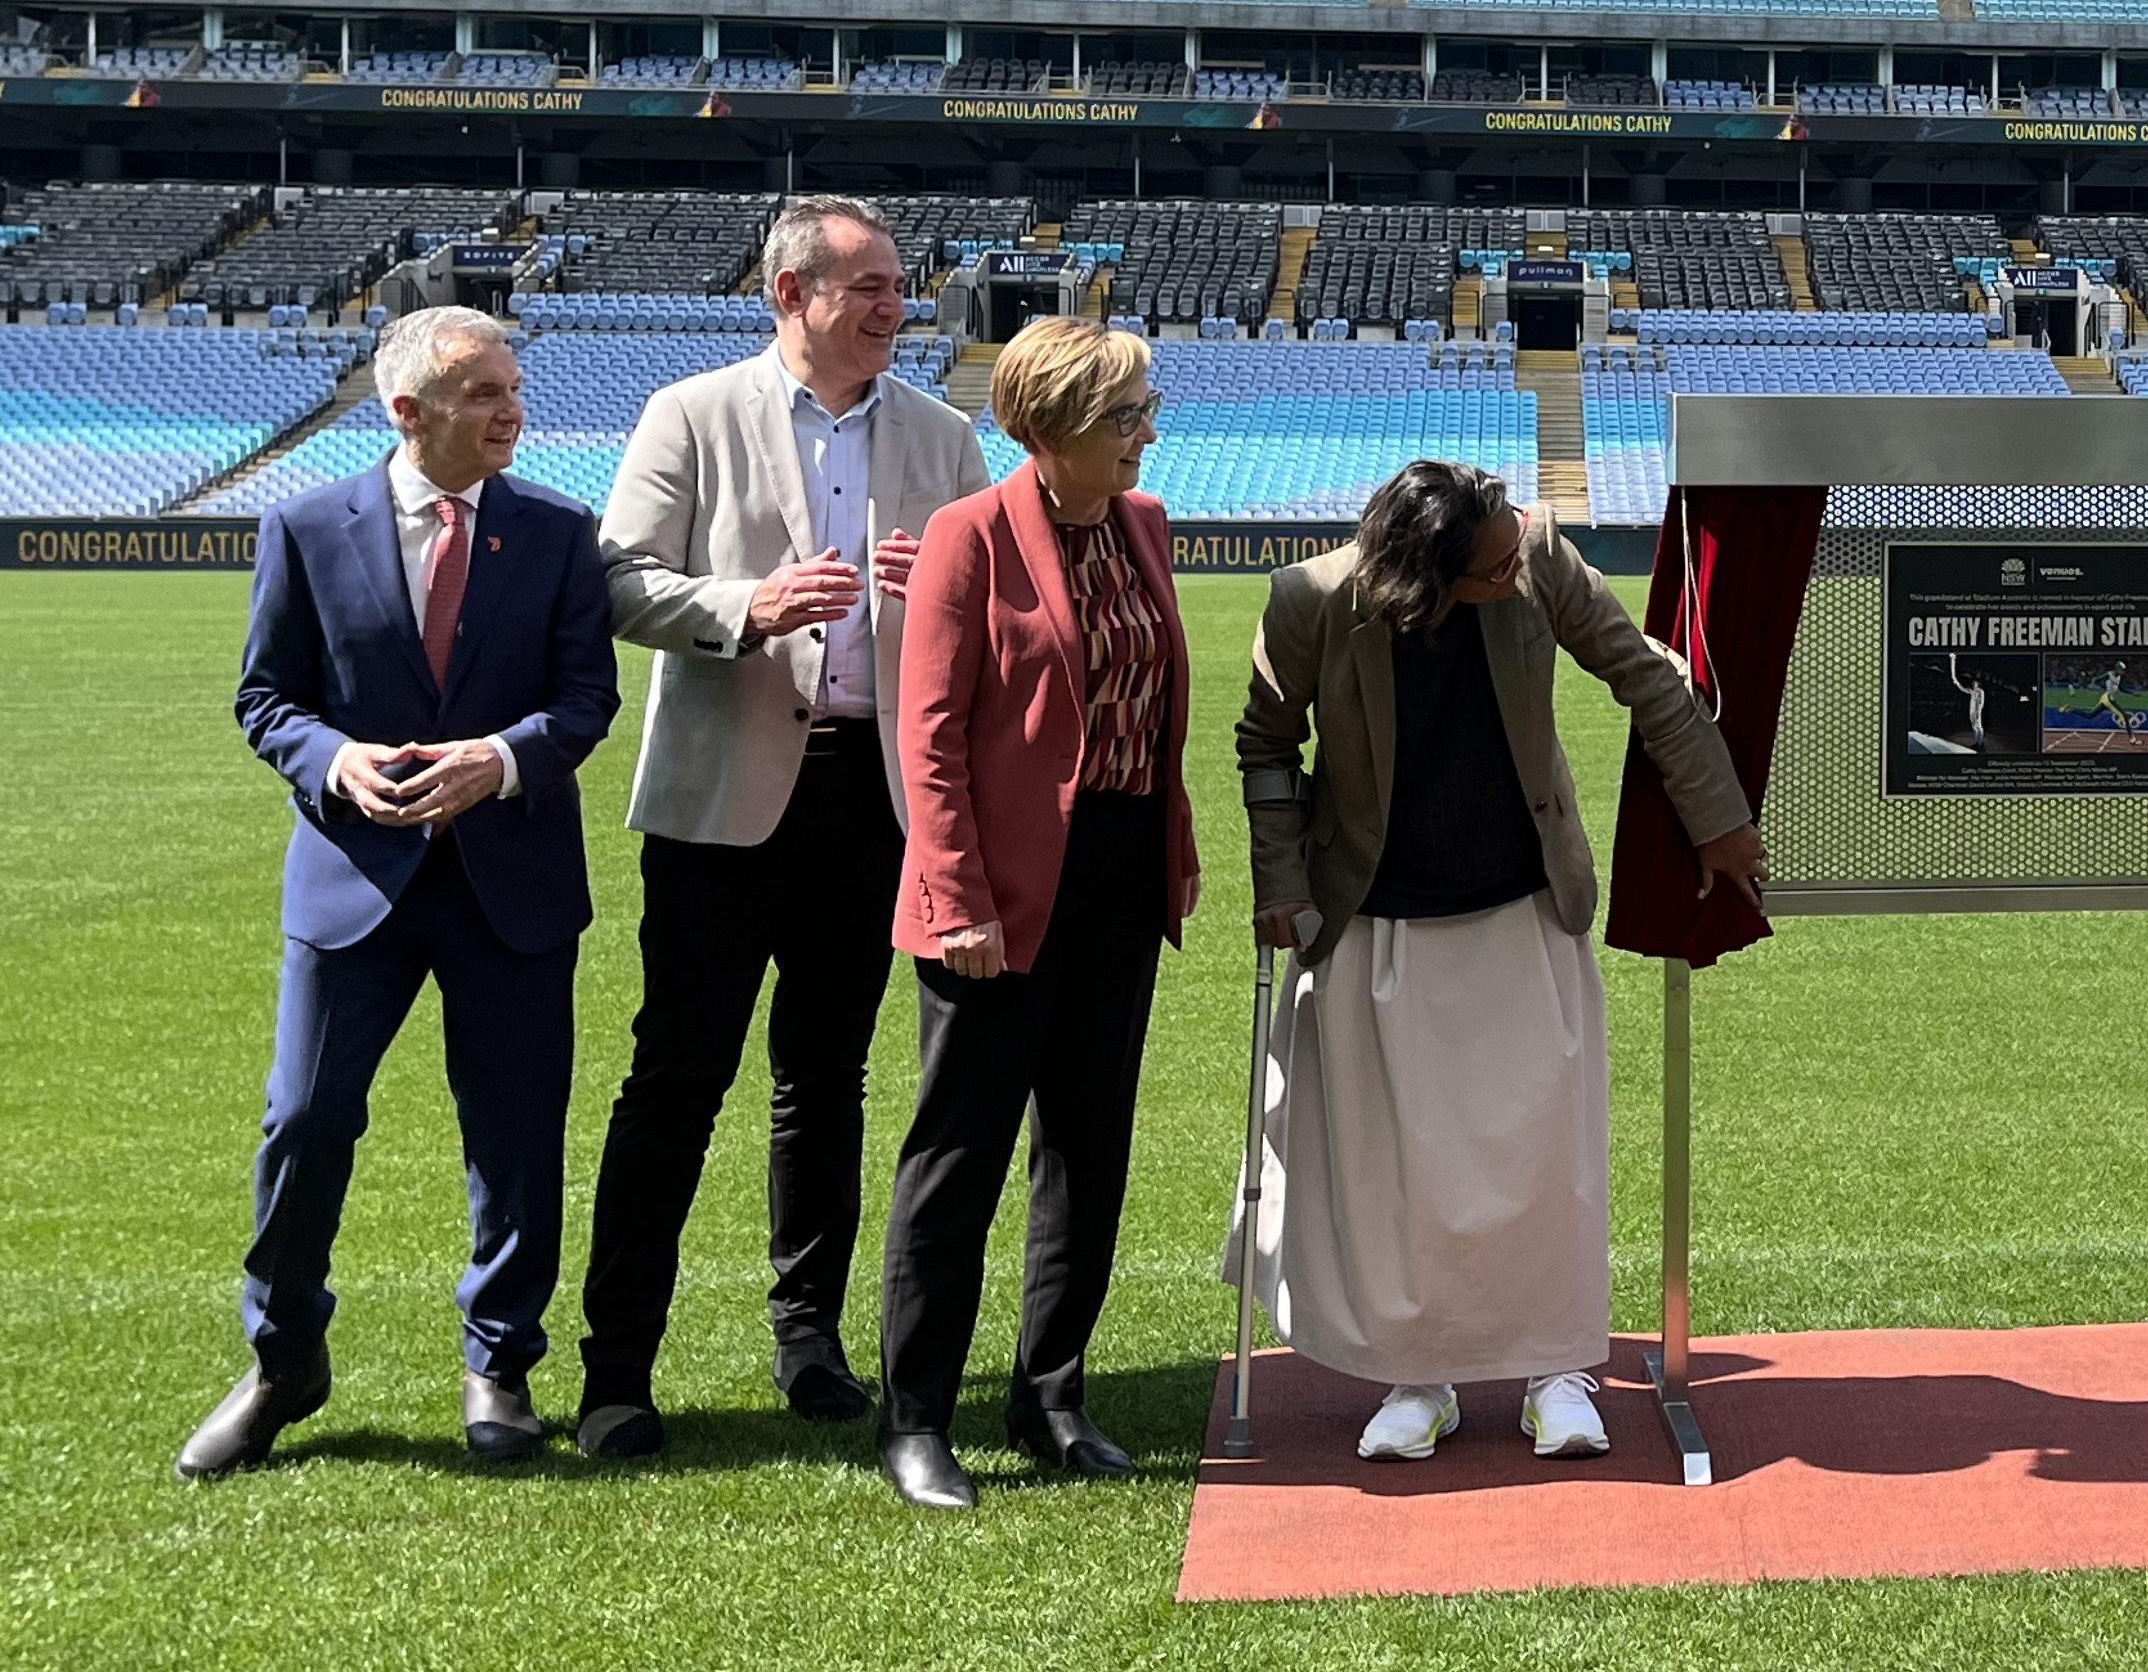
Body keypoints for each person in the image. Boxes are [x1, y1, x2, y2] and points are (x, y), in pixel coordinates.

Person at [1232, 458, 1767, 1463]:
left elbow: (1645, 675)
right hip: (1377, 918)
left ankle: (1557, 1372)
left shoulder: (1536, 555)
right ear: (1421, 582)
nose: (1509, 572)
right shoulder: (1308, 599)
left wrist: (1719, 824)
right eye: (1486, 571)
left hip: (1526, 906)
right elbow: (1267, 741)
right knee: (1402, 1171)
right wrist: (1281, 883)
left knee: (1544, 1159)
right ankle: (1417, 1375)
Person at [574, 195, 989, 1459]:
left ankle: (810, 1342)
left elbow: (997, 611)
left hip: (874, 797)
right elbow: (616, 579)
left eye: (898, 285)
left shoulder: (945, 432)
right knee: (677, 1078)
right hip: (721, 802)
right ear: (789, 293)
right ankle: (616, 1372)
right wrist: (745, 604)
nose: (893, 307)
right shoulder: (690, 414)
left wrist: (951, 597)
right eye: (866, 286)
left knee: (826, 1079)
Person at [181, 307, 618, 1478]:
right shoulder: (305, 527)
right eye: (482, 393)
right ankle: (283, 1360)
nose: (510, 411)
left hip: (510, 883)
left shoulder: (561, 532)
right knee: (304, 1121)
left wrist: (502, 758)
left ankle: (501, 1365)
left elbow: (587, 702)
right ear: (407, 409)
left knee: (516, 1139)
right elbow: (266, 699)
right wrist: (333, 759)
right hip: (351, 883)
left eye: (512, 387)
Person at [872, 317, 1199, 1512]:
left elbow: (1152, 711)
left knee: (1088, 1147)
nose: (1146, 436)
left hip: (1116, 875)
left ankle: (1051, 1393)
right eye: (1125, 417)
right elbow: (935, 740)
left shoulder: (1146, 528)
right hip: (995, 896)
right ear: (1050, 427)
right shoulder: (969, 538)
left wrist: (1176, 841)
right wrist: (956, 898)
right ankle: (915, 1419)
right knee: (956, 1159)